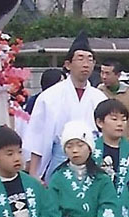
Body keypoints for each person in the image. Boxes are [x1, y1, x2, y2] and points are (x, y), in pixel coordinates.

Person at [23, 31, 108, 181]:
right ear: (68, 64)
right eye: (80, 59)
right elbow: (37, 137)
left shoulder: (99, 97)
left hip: (91, 160)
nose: (86, 64)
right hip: (59, 158)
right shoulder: (49, 97)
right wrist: (34, 174)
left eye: (90, 60)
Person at [99, 59, 129, 143]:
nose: (104, 77)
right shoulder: (98, 92)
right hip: (102, 142)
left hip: (125, 143)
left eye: (107, 73)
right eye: (102, 73)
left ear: (118, 75)